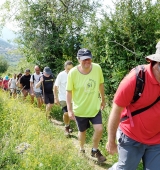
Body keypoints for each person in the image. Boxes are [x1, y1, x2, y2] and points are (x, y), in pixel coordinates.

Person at [106, 41, 160, 170]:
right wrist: (111, 140)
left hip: (157, 140)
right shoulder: (136, 79)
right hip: (131, 137)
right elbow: (116, 110)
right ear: (157, 63)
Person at [66, 48, 106, 163]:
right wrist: (69, 109)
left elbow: (100, 84)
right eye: (84, 59)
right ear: (78, 60)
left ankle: (94, 150)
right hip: (80, 109)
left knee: (99, 129)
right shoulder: (73, 73)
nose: (87, 61)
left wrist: (103, 99)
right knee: (82, 132)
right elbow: (68, 92)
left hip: (94, 107)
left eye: (89, 58)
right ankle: (82, 148)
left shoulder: (97, 68)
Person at [54, 60, 73, 136]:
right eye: (68, 69)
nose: (69, 70)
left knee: (70, 113)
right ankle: (66, 127)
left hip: (72, 98)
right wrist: (55, 97)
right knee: (66, 113)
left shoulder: (74, 74)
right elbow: (55, 86)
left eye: (71, 69)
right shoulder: (61, 75)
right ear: (65, 67)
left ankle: (68, 125)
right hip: (63, 97)